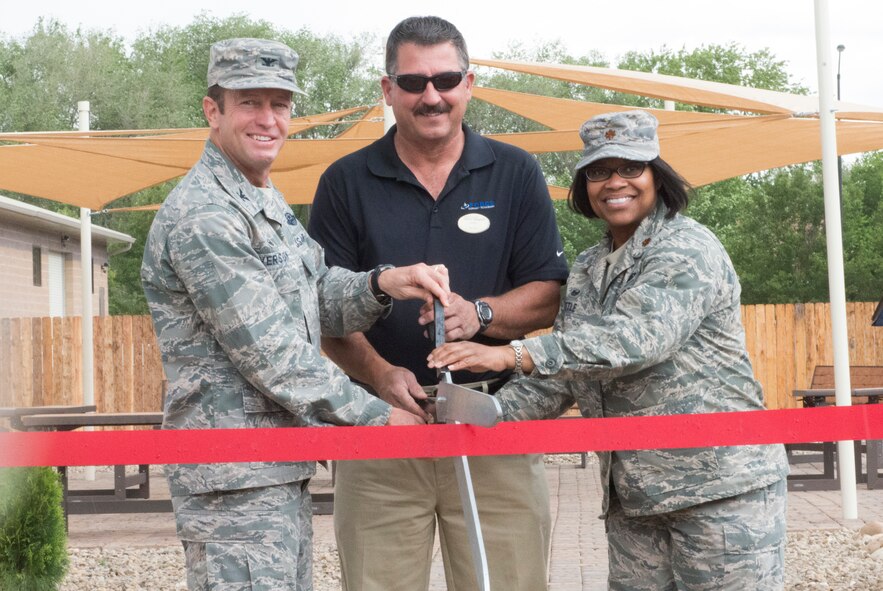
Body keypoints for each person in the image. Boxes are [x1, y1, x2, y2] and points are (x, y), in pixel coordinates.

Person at [429, 110, 791, 590]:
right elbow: (563, 376)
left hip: (720, 491)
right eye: (598, 171)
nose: (615, 182)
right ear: (584, 186)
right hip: (635, 499)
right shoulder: (587, 267)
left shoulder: (686, 247)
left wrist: (510, 353)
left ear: (656, 176)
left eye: (630, 167)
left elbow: (637, 339)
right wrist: (478, 413)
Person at [141, 38, 450, 591]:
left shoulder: (259, 197)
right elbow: (274, 355)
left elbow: (316, 295)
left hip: (273, 466)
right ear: (213, 110)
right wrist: (381, 418)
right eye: (249, 103)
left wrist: (384, 283)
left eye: (279, 104)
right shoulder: (206, 216)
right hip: (234, 483)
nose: (268, 120)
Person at [307, 16, 569, 591]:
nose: (432, 96)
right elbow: (322, 312)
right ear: (387, 90)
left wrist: (481, 314)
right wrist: (380, 375)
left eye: (446, 79)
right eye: (413, 82)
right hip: (383, 427)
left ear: (469, 84)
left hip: (493, 422)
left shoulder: (516, 171)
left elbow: (549, 294)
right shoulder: (345, 181)